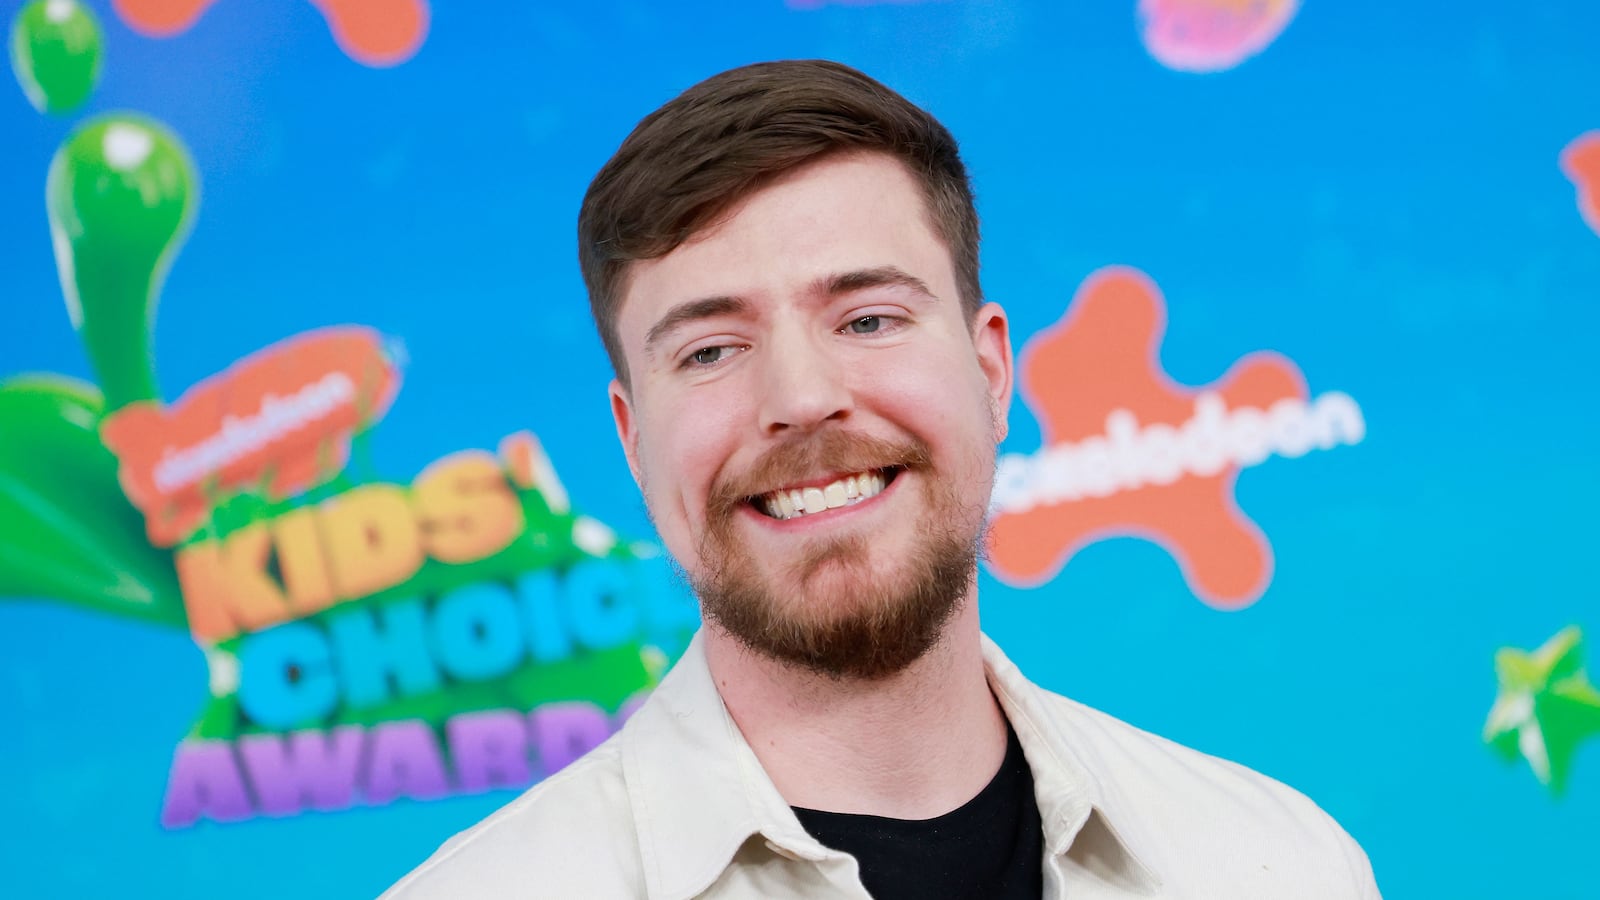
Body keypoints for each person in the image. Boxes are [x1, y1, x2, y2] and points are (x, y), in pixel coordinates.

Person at [384, 59, 1381, 899]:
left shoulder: (1279, 866)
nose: (802, 397)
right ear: (632, 440)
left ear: (990, 372)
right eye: (711, 351)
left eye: (866, 320)